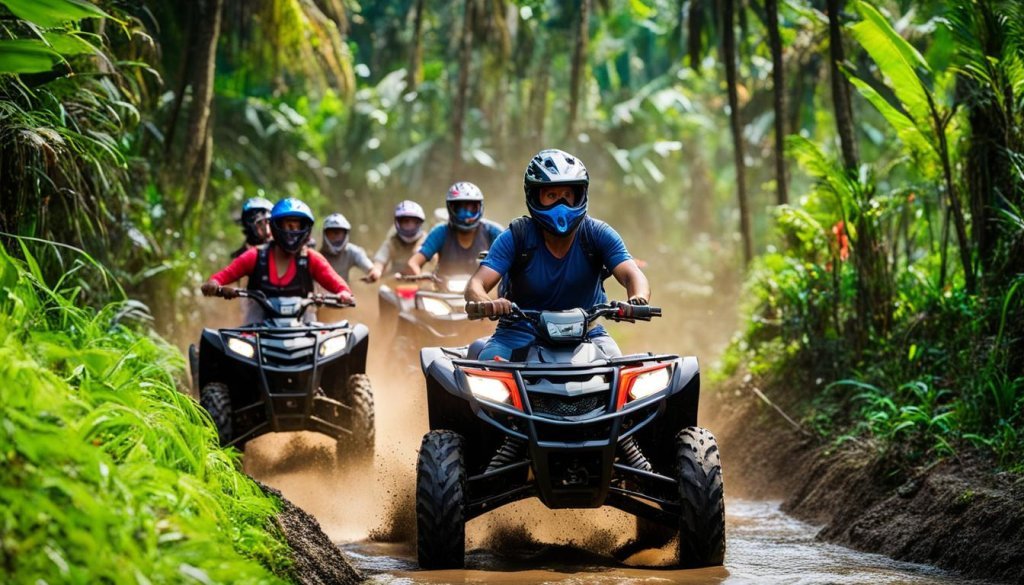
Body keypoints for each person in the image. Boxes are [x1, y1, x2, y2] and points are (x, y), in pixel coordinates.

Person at [464, 148, 650, 360]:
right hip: (519, 330)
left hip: (586, 332)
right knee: (489, 367)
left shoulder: (598, 234)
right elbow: (476, 284)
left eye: (567, 195)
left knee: (617, 370)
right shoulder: (516, 236)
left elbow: (631, 274)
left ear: (579, 196)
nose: (561, 204)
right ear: (535, 196)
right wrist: (485, 302)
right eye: (552, 195)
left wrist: (638, 299)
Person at [201, 198, 354, 324]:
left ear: (305, 229)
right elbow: (226, 274)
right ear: (276, 226)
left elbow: (334, 281)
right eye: (288, 225)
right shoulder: (255, 256)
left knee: (342, 343)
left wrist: (343, 293)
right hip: (258, 326)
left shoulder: (311, 258)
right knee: (223, 347)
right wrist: (214, 284)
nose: (293, 231)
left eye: (297, 226)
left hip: (304, 325)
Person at [406, 182, 503, 278]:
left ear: (480, 208)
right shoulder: (440, 232)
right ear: (450, 208)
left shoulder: (493, 232)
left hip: (484, 291)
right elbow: (414, 262)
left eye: (472, 209)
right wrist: (419, 278)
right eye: (460, 209)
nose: (467, 215)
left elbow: (511, 261)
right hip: (442, 291)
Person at [371, 200, 427, 277]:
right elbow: (379, 261)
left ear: (419, 223)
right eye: (406, 221)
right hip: (396, 278)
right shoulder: (392, 242)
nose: (409, 225)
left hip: (420, 279)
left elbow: (433, 266)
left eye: (413, 222)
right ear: (398, 222)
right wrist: (376, 272)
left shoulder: (427, 242)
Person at [319, 212, 377, 283]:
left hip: (344, 292)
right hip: (321, 292)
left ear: (345, 234)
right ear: (325, 234)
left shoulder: (352, 251)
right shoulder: (318, 255)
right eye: (331, 233)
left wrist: (373, 274)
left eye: (338, 233)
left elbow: (370, 267)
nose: (335, 238)